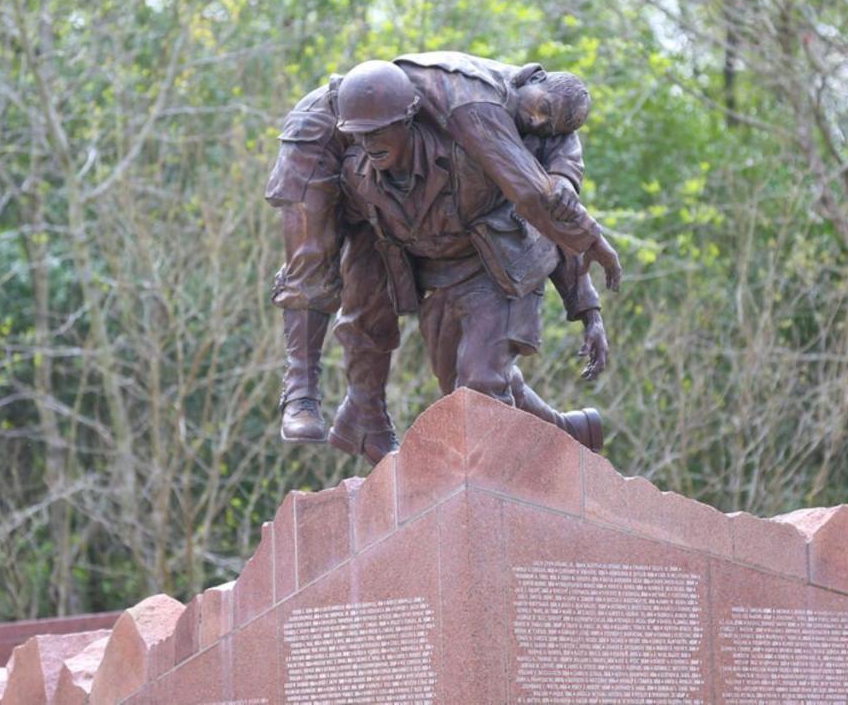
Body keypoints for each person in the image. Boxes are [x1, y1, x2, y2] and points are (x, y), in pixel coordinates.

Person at [265, 53, 620, 456]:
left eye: (547, 125)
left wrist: (586, 301)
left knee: (481, 385)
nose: (537, 123)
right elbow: (353, 272)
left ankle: (499, 469)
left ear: (409, 118)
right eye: (541, 111)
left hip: (491, 270)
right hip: (327, 121)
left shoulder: (491, 135)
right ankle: (311, 396)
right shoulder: (370, 164)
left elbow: (543, 201)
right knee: (314, 254)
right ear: (529, 78)